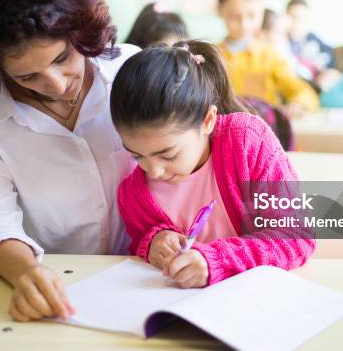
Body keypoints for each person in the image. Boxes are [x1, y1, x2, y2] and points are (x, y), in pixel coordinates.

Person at [0, 0, 139, 322]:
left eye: (62, 58)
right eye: (27, 76)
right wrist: (26, 273)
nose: (55, 86)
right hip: (55, 284)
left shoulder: (128, 73)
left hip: (149, 271)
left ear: (80, 32)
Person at [110, 40, 316, 288]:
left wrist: (216, 261)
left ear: (208, 120)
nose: (153, 170)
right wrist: (154, 242)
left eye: (168, 155)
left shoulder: (247, 141)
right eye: (137, 156)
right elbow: (141, 238)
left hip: (258, 301)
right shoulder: (133, 193)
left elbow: (296, 236)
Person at [216, 0, 319, 118]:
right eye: (235, 17)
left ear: (261, 12)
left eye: (252, 16)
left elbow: (304, 92)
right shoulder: (211, 57)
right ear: (220, 10)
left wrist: (298, 103)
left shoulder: (270, 56)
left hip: (263, 135)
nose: (244, 24)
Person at [285, 0, 335, 81]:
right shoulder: (280, 41)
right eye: (293, 17)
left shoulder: (313, 39)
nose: (296, 24)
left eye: (301, 19)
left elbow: (329, 54)